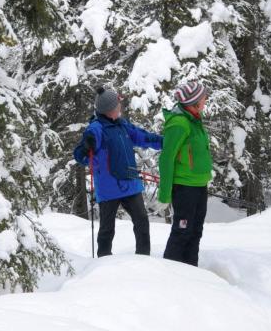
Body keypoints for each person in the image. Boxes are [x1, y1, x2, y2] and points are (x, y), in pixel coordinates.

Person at [74, 85, 162, 257]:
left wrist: (166, 142)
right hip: (109, 189)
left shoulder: (123, 126)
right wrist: (86, 147)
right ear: (109, 110)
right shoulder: (96, 129)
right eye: (117, 105)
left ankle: (144, 258)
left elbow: (144, 137)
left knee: (142, 221)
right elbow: (81, 155)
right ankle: (103, 261)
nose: (120, 107)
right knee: (107, 229)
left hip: (130, 184)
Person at [158, 81, 213, 266]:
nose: (205, 101)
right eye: (203, 98)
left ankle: (191, 271)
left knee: (196, 231)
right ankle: (170, 272)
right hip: (184, 188)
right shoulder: (179, 124)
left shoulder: (195, 119)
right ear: (194, 102)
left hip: (199, 186)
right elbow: (166, 159)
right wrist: (164, 194)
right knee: (182, 232)